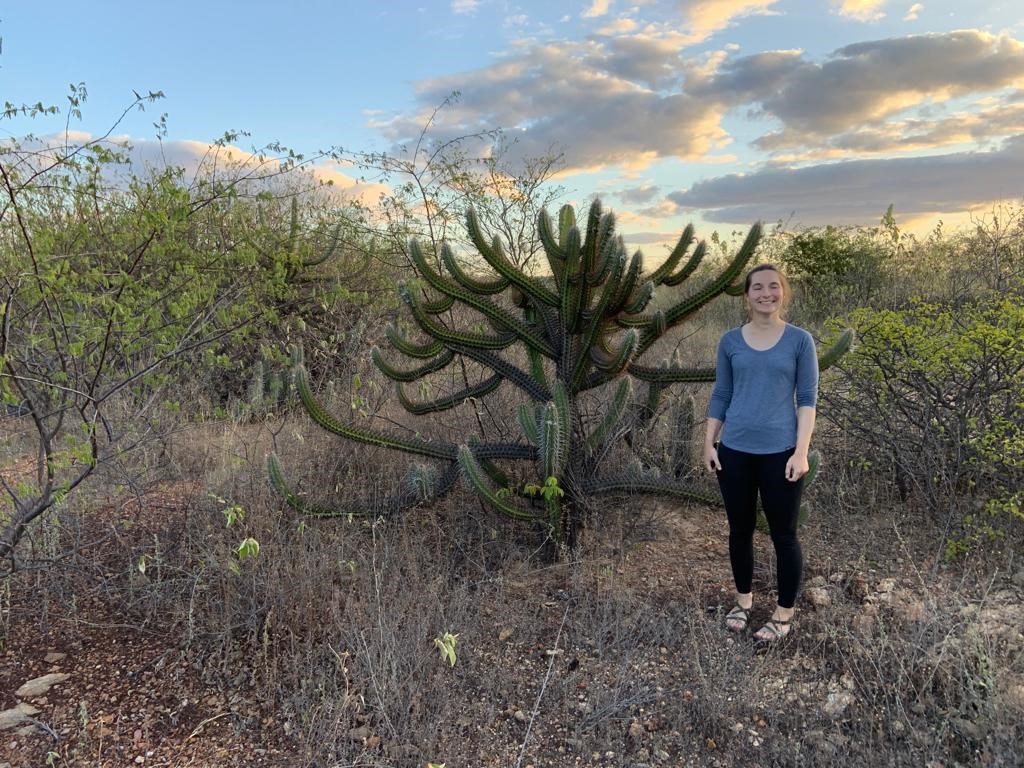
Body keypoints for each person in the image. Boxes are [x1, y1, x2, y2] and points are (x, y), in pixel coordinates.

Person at [702, 263, 818, 645]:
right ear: (746, 295)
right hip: (734, 451)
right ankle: (743, 600)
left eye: (773, 287)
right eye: (758, 288)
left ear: (783, 292)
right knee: (740, 531)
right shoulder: (730, 341)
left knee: (784, 535)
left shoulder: (800, 341)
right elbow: (722, 393)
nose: (766, 294)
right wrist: (709, 442)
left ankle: (784, 613)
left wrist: (801, 452)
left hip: (780, 452)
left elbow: (807, 400)